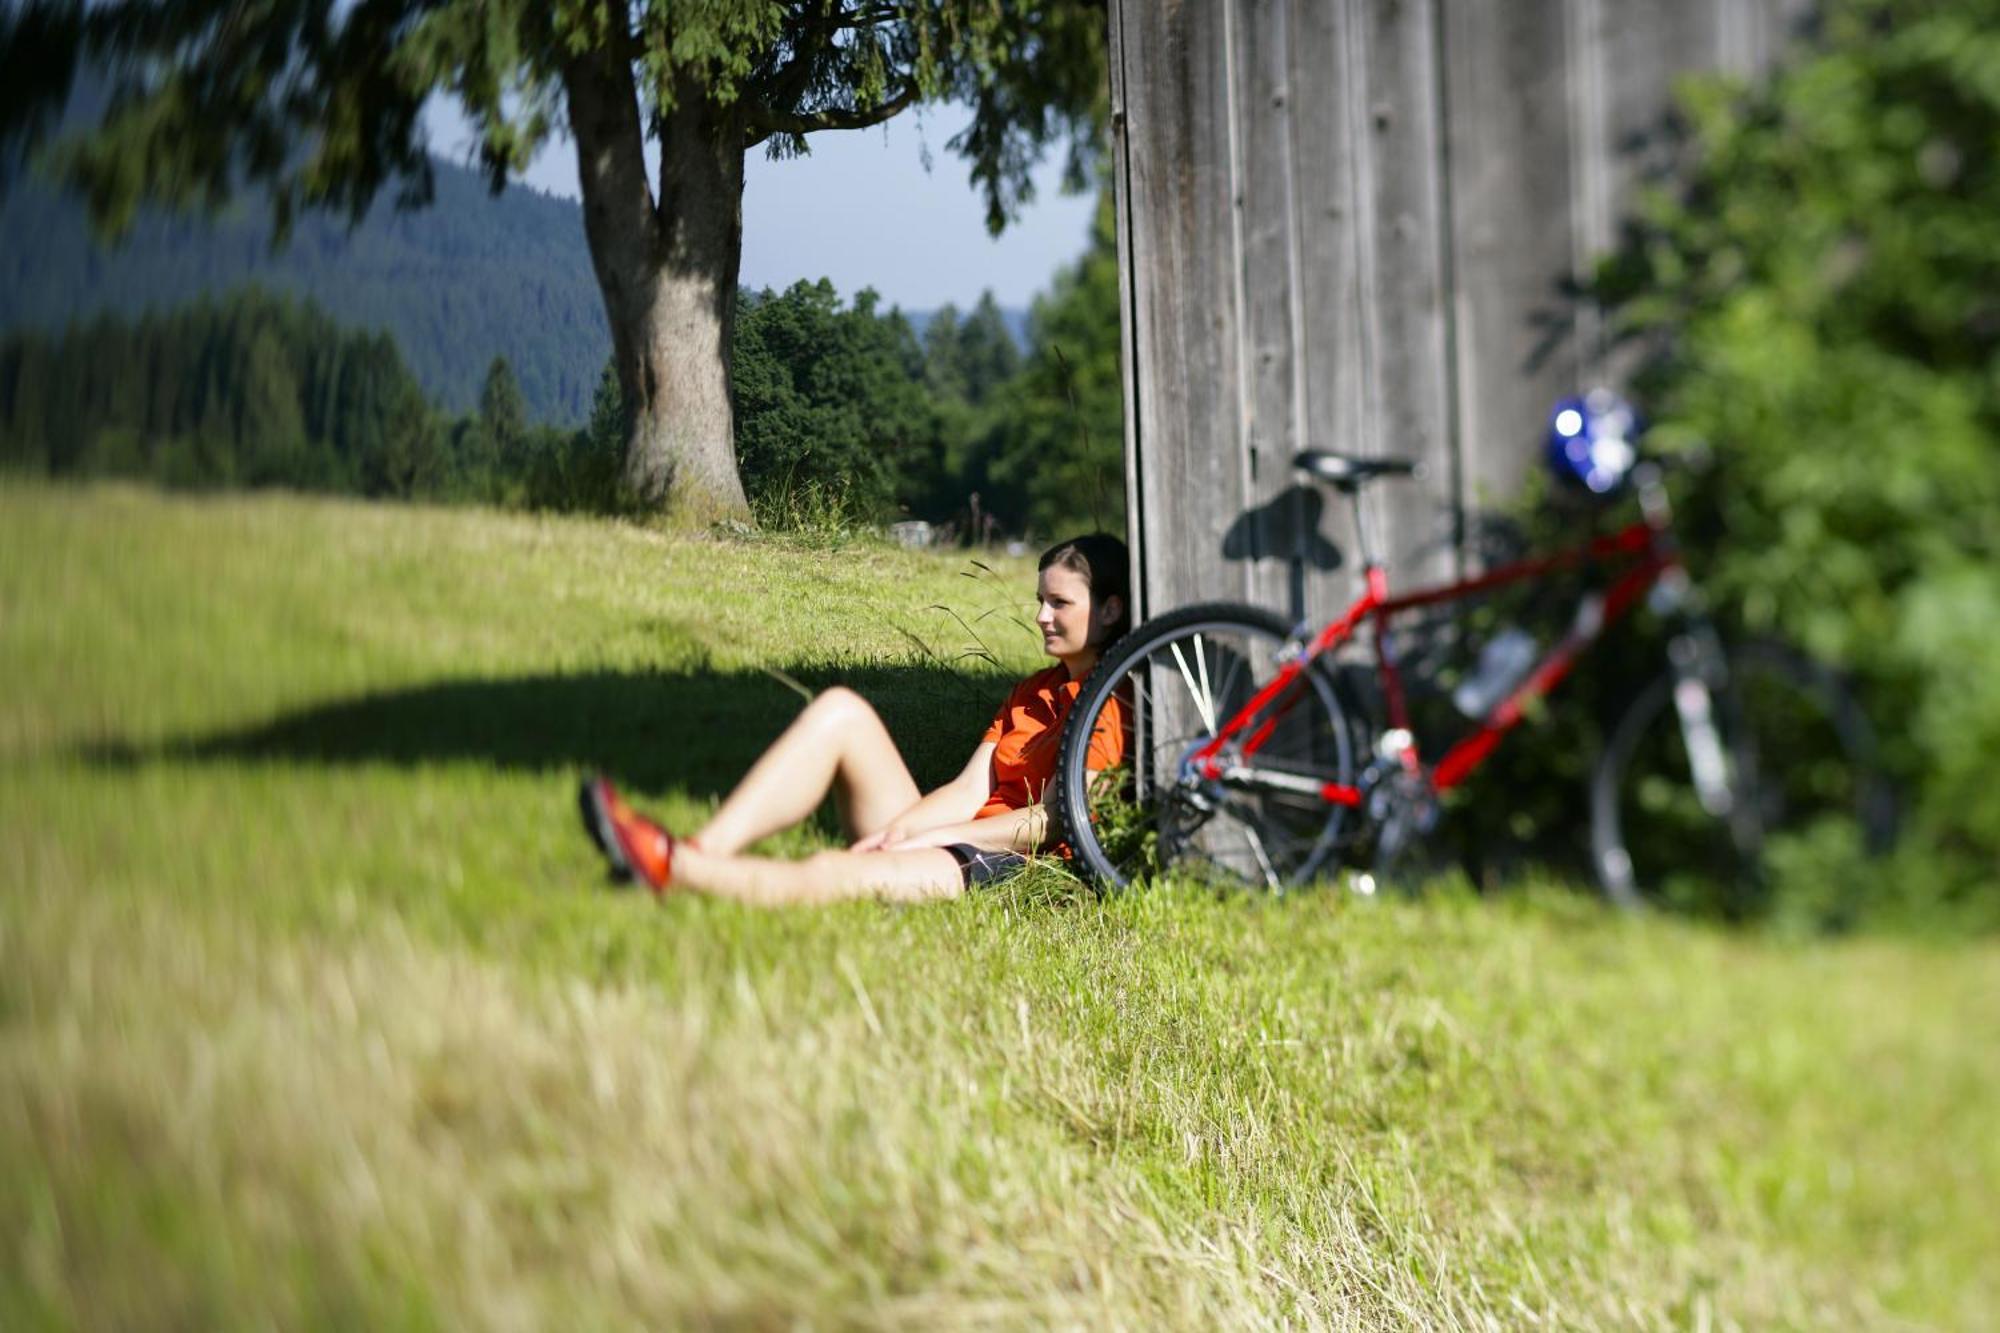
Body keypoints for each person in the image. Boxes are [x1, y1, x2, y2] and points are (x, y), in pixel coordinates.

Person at [578, 534, 1130, 905]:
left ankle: (672, 864)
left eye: (1059, 603)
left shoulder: (1111, 702)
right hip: (955, 836)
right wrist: (905, 830)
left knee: (834, 872)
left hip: (1009, 861)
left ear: (1109, 609)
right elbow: (968, 787)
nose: (1040, 616)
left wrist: (936, 839)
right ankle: (705, 848)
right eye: (1040, 600)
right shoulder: (1034, 690)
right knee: (840, 710)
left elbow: (1052, 822)